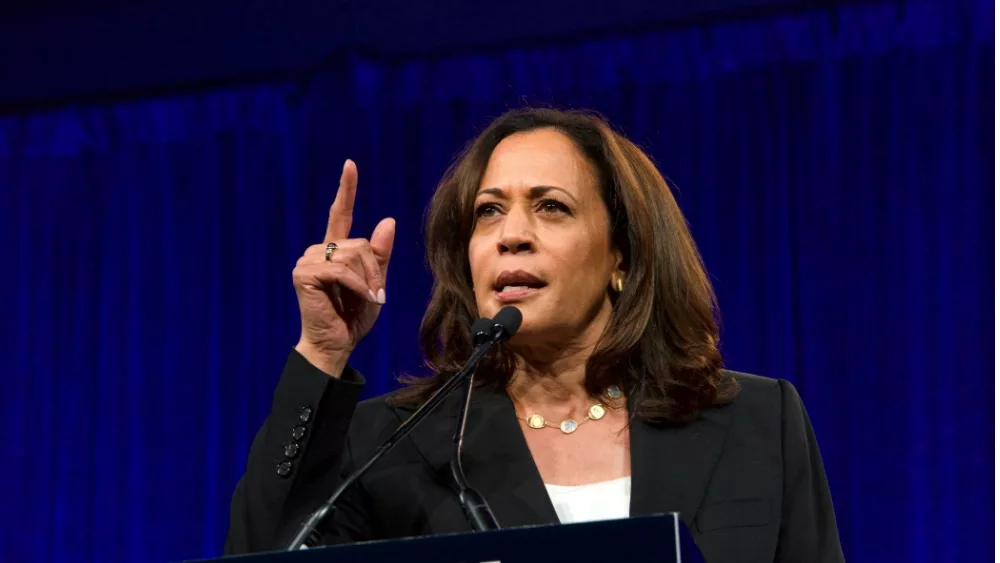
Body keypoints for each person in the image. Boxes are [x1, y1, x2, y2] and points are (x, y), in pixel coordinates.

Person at [224, 107, 845, 562]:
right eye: (487, 211)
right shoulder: (393, 445)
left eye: (551, 206)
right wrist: (322, 351)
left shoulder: (758, 424)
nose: (510, 234)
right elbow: (261, 558)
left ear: (622, 257)